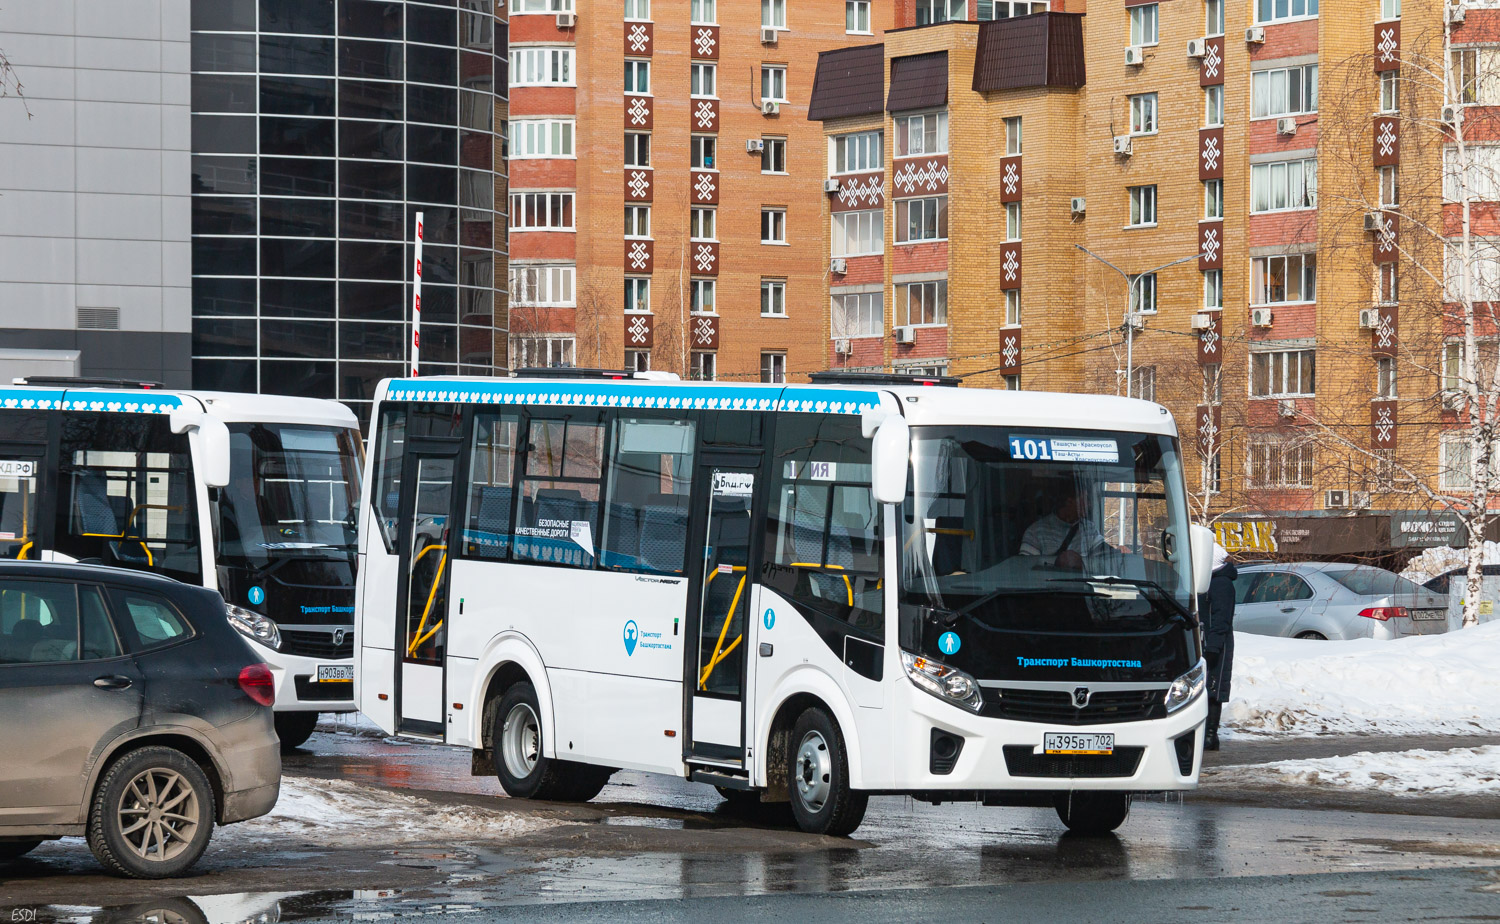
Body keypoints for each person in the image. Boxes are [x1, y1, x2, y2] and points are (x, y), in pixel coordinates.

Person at [1196, 543, 1237, 750]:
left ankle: (1210, 736)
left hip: (1215, 643)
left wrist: (1213, 647)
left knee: (1213, 687)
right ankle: (1203, 734)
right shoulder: (1205, 582)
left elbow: (1221, 619)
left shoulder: (1221, 583)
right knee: (1201, 688)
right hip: (1205, 640)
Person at [1018, 486, 1107, 569]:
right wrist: (1058, 562)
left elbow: (1104, 561)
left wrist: (1081, 562)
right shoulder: (1036, 531)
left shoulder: (1090, 529)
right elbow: (1026, 567)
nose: (1089, 505)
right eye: (1085, 500)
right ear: (1070, 502)